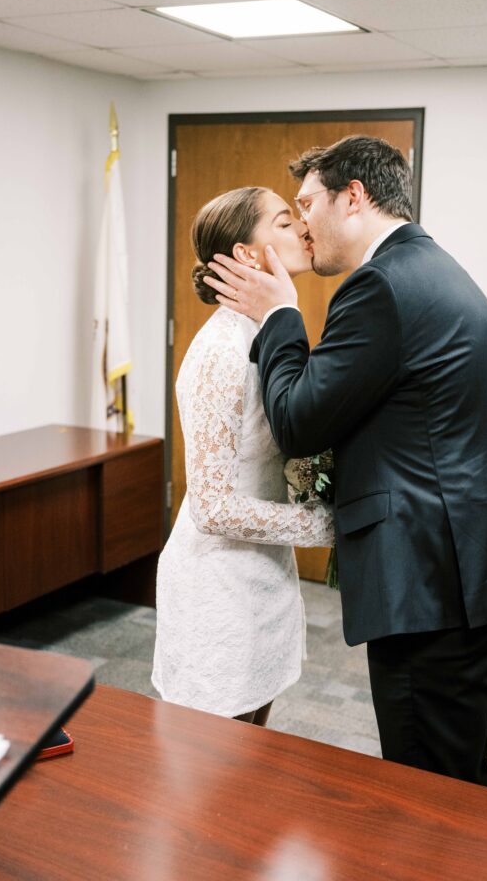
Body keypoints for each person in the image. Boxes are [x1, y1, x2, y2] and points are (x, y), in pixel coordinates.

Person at [204, 135, 487, 783]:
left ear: (353, 197)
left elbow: (300, 423)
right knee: (452, 764)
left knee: (426, 780)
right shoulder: (430, 267)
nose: (303, 223)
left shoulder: (379, 288)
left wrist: (280, 314)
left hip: (433, 575)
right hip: (468, 559)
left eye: (306, 204)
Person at [152, 186, 334, 726]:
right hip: (218, 585)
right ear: (248, 256)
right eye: (284, 222)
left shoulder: (268, 334)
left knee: (253, 754)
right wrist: (327, 525)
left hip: (266, 572)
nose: (302, 228)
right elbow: (211, 507)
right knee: (210, 762)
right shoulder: (219, 353)